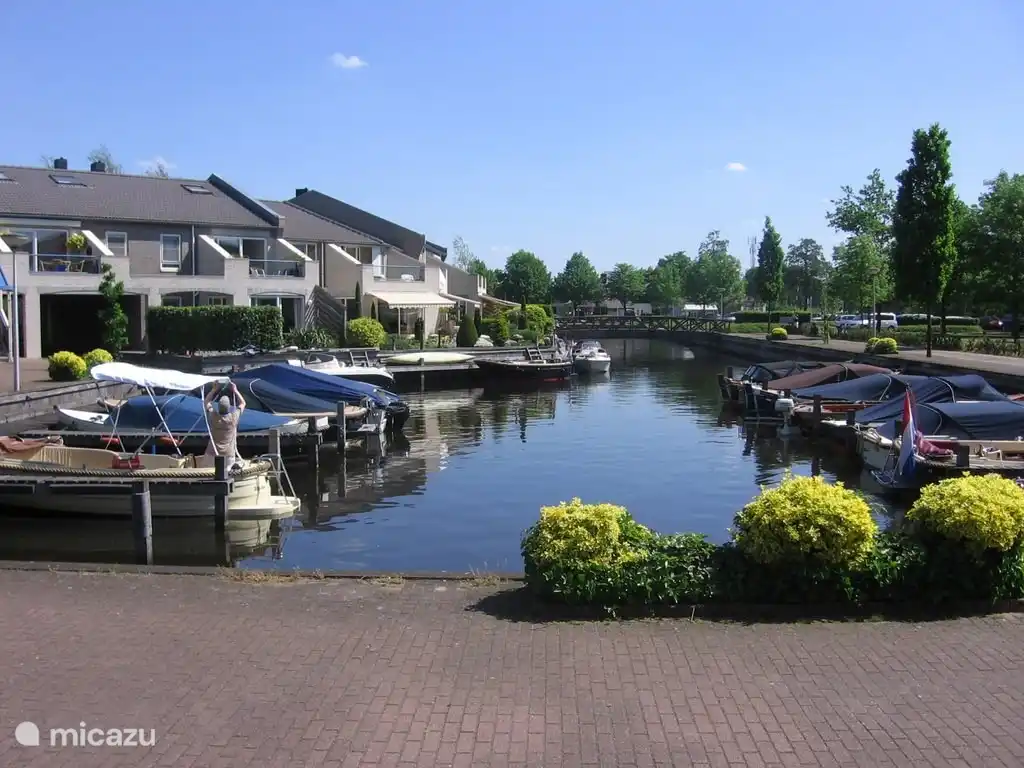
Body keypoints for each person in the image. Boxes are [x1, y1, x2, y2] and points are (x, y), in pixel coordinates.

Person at [204, 381, 246, 466]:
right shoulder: (234, 417)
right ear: (229, 407)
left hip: (212, 453)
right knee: (228, 476)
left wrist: (214, 389)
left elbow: (206, 402)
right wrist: (235, 390)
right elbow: (243, 403)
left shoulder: (213, 416)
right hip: (229, 454)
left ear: (218, 407)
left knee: (207, 475)